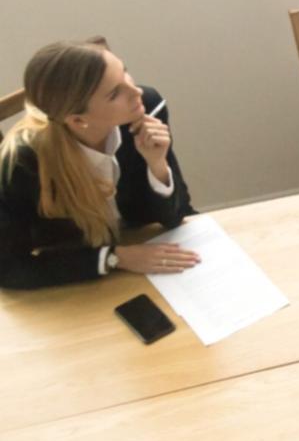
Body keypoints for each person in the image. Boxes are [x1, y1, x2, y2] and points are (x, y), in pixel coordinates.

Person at [1, 39, 197, 290]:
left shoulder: (147, 107)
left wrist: (156, 164)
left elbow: (176, 216)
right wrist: (115, 257)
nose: (135, 91)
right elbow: (8, 268)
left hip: (147, 250)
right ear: (79, 120)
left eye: (125, 71)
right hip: (81, 276)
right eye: (115, 93)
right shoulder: (22, 163)